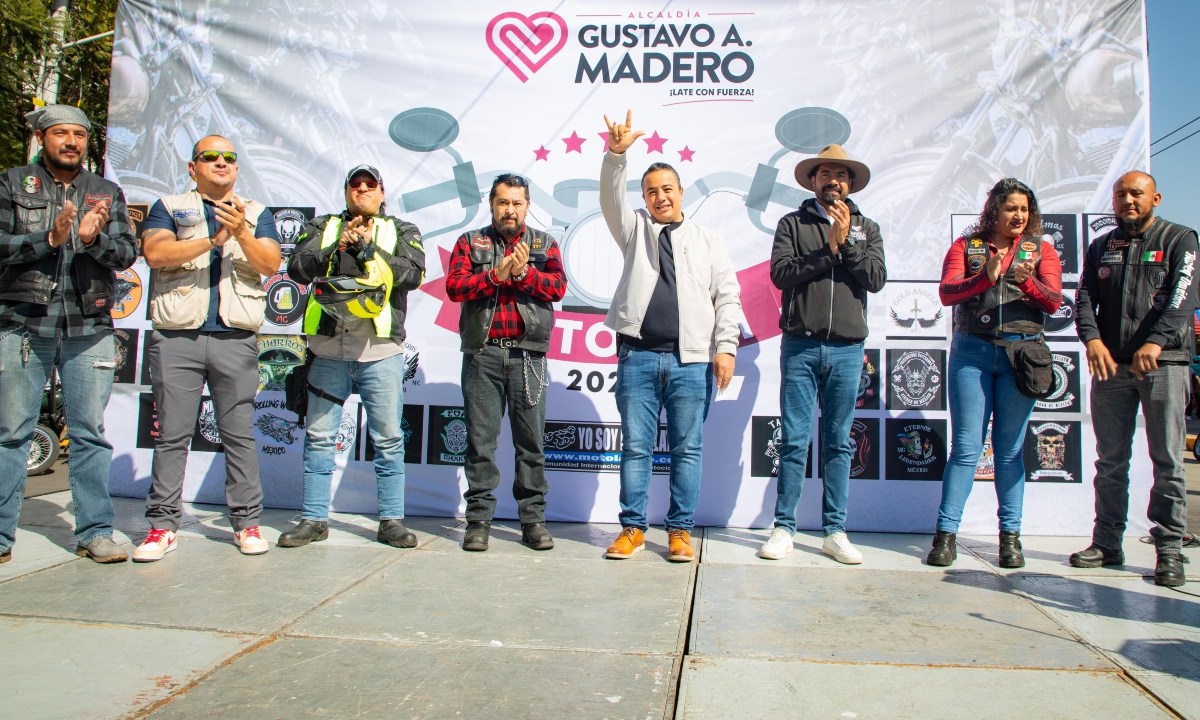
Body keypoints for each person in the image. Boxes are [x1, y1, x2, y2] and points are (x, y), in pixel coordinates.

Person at [599, 111, 742, 563]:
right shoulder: (633, 229)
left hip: (692, 362)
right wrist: (615, 156)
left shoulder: (708, 240)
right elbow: (609, 198)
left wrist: (726, 348)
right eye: (650, 192)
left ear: (681, 193)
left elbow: (728, 298)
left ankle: (680, 531)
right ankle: (632, 529)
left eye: (667, 189)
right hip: (638, 358)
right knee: (637, 448)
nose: (659, 197)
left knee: (687, 449)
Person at [133, 135, 282, 561]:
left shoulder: (254, 212)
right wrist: (213, 241)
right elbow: (156, 253)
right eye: (210, 156)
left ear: (237, 168)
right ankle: (162, 527)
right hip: (177, 336)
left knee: (239, 436)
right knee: (173, 436)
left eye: (229, 157)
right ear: (192, 166)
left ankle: (247, 522)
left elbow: (270, 264)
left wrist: (240, 233)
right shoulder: (170, 206)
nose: (221, 162)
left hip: (235, 338)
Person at [0, 105, 138, 563]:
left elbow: (126, 255)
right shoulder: (12, 183)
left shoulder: (104, 191)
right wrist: (51, 239)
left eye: (79, 134)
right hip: (23, 322)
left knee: (89, 434)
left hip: (89, 325)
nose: (72, 142)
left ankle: (95, 531)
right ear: (42, 137)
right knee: (11, 434)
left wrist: (93, 238)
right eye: (61, 133)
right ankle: (1, 536)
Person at [280, 165, 426, 549]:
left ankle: (391, 521)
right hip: (327, 348)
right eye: (355, 184)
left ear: (382, 192)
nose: (362, 189)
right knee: (319, 437)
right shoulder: (324, 226)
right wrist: (337, 248)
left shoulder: (401, 229)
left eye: (370, 185)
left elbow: (413, 274)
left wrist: (368, 249)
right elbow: (297, 267)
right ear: (346, 191)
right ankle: (313, 519)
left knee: (390, 439)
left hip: (379, 350)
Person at [759, 144, 887, 565]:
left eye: (842, 175)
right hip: (801, 344)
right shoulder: (792, 223)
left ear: (850, 185)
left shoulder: (867, 227)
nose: (834, 181)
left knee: (837, 442)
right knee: (794, 439)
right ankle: (784, 528)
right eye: (826, 174)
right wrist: (827, 250)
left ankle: (835, 530)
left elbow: (875, 278)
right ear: (813, 181)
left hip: (849, 350)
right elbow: (781, 274)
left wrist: (847, 242)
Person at [926, 178, 1062, 568]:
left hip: (1023, 355)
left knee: (1009, 452)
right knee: (966, 448)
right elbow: (947, 293)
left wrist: (1029, 282)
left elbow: (1054, 302)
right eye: (1010, 209)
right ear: (994, 212)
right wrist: (985, 276)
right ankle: (945, 536)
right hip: (973, 352)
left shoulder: (1042, 250)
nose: (1018, 215)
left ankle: (1010, 539)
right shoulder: (966, 247)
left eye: (1024, 209)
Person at [1071, 171, 1197, 587]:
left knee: (1167, 461)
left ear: (1155, 198)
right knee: (1110, 461)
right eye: (1121, 194)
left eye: (1136, 194)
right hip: (1111, 367)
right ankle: (1107, 541)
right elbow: (1084, 298)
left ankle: (1169, 549)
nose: (1128, 200)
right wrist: (1092, 341)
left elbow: (1182, 297)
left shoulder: (1180, 240)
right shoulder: (1101, 245)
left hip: (1164, 365)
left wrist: (1157, 342)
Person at [446, 174, 567, 552]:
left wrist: (524, 273)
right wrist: (494, 277)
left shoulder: (544, 243)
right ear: (492, 204)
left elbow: (558, 287)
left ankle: (533, 521)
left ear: (528, 205)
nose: (509, 210)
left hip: (529, 355)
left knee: (530, 443)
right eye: (502, 202)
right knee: (480, 443)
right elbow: (454, 287)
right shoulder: (470, 242)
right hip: (483, 353)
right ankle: (478, 521)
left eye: (516, 203)